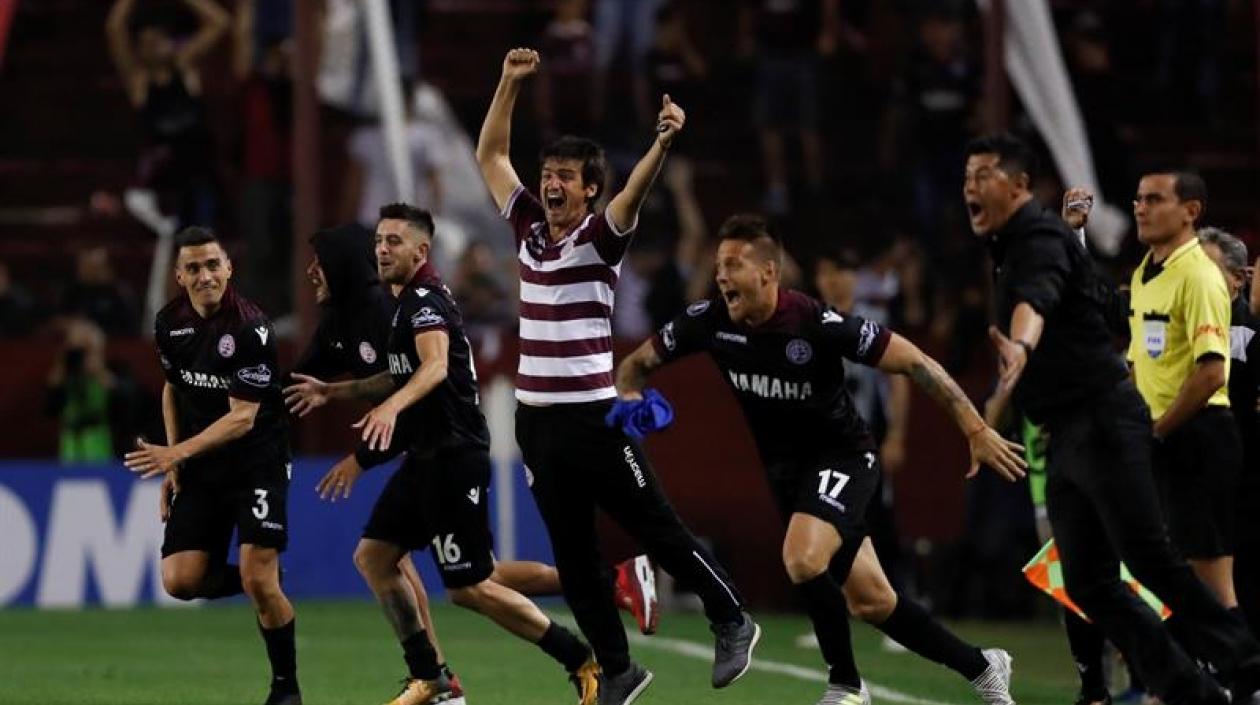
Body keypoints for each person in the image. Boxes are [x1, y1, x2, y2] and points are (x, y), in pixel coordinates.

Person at [616, 214, 1024, 705]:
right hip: (788, 478)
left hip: (846, 459)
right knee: (873, 601)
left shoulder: (813, 323)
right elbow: (635, 365)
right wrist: (629, 395)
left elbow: (916, 362)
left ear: (769, 272)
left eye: (733, 265)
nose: (721, 275)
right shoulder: (708, 322)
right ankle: (983, 666)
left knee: (802, 557)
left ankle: (847, 686)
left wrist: (976, 429)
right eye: (718, 265)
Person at [476, 48, 758, 704]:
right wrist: (509, 82)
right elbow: (490, 156)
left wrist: (662, 142)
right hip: (538, 424)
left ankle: (731, 617)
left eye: (566, 177)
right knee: (574, 560)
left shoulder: (603, 237)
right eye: (548, 174)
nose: (551, 185)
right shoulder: (527, 231)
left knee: (657, 525)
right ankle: (619, 671)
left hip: (593, 418)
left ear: (590, 189)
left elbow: (636, 192)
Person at [286, 222, 661, 701]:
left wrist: (367, 447)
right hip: (426, 457)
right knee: (382, 558)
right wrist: (330, 392)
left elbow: (430, 370)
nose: (312, 270)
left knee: (470, 585)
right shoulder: (371, 311)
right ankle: (435, 676)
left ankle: (583, 660)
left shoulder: (408, 306)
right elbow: (389, 376)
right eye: (379, 243)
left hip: (449, 455)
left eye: (392, 242)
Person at [965, 132, 1260, 705]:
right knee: (1090, 582)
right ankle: (1188, 690)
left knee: (1152, 560)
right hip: (1072, 431)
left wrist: (1021, 348)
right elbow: (1095, 295)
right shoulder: (1042, 247)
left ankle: (1246, 665)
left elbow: (1039, 298)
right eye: (966, 177)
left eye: (982, 176)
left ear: (1020, 185)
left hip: (1111, 422)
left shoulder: (1038, 241)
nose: (969, 188)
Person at [123, 227, 300, 705]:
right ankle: (261, 580)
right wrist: (175, 461)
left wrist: (176, 453)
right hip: (202, 462)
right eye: (194, 268)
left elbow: (243, 418)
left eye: (213, 265)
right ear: (179, 276)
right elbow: (172, 387)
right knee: (180, 581)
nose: (205, 276)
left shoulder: (251, 328)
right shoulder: (168, 325)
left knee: (257, 579)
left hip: (257, 461)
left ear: (229, 268)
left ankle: (286, 691)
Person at [1126, 171, 1242, 619]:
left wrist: (1156, 432)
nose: (1141, 208)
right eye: (1138, 199)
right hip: (1162, 437)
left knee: (1210, 577)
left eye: (1155, 199)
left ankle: (1246, 678)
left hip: (1197, 434)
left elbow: (1211, 372)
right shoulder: (1144, 273)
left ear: (1190, 211)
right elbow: (1141, 362)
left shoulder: (1199, 276)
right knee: (1173, 579)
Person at [106, 0, 227, 228]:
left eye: (159, 39)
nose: (154, 45)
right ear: (139, 49)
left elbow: (219, 23)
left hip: (199, 174)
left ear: (171, 42)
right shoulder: (139, 82)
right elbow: (115, 28)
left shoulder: (185, 68)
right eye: (147, 42)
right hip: (162, 182)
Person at [1198, 227, 1260, 638]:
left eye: (1207, 267)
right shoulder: (1193, 321)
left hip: (1238, 480)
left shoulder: (1242, 336)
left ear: (1239, 279)